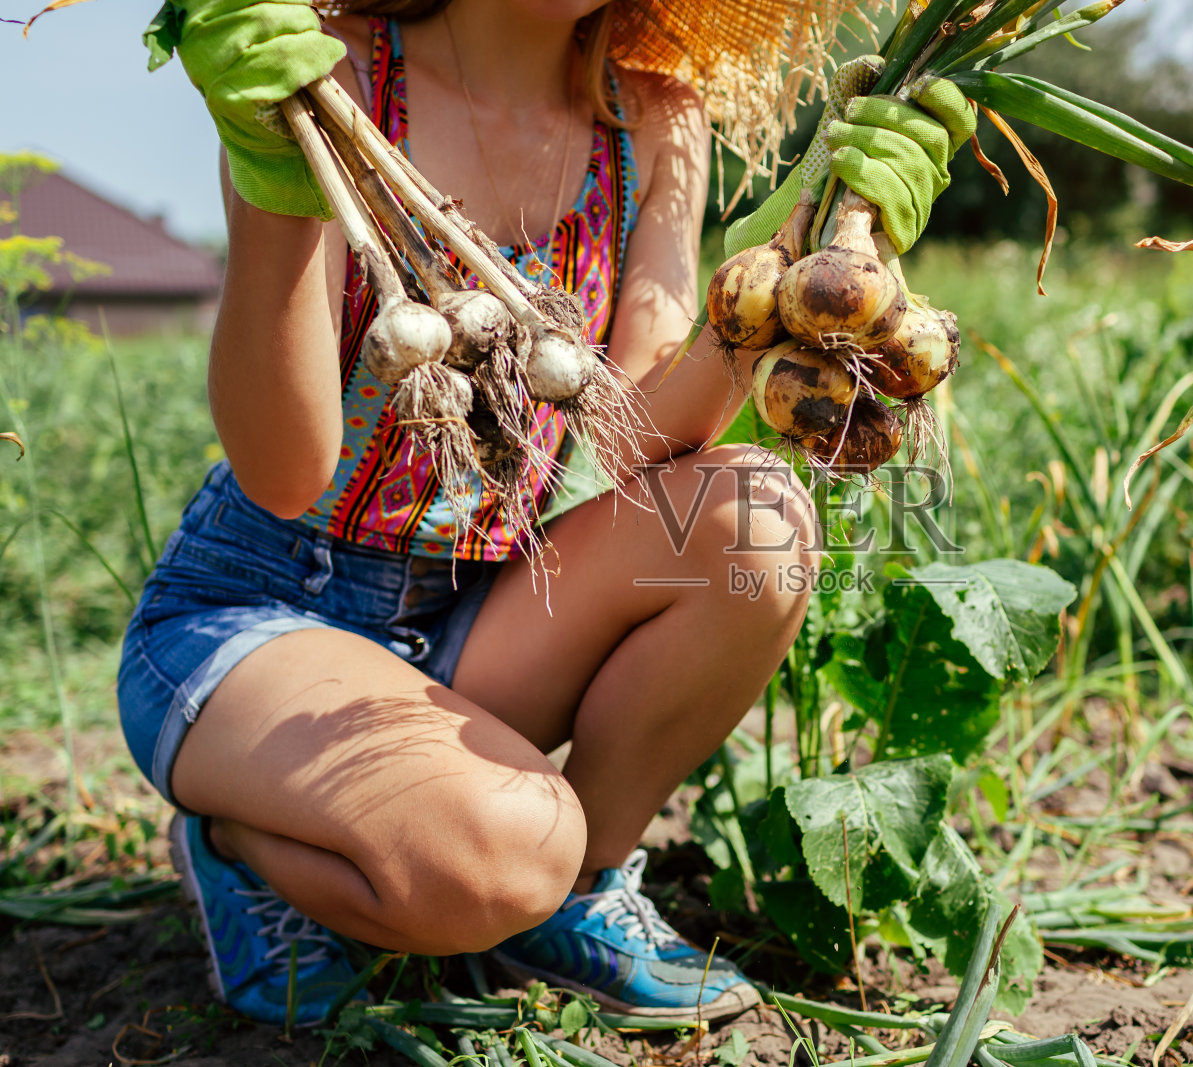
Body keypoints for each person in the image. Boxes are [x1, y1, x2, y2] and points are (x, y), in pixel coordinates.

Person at [119, 0, 975, 1027]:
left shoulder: (656, 121)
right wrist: (273, 190)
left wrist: (807, 258)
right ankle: (239, 840)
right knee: (501, 853)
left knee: (756, 513)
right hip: (260, 611)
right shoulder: (325, 79)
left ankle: (580, 888)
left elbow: (630, 430)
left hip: (474, 609)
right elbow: (285, 471)